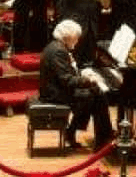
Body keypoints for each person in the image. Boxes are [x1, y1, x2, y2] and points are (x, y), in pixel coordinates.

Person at [39, 19, 114, 149]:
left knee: (96, 94)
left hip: (56, 88)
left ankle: (102, 134)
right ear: (68, 37)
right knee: (93, 96)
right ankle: (100, 136)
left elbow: (68, 73)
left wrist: (84, 74)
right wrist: (88, 80)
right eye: (76, 38)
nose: (77, 41)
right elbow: (67, 80)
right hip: (54, 93)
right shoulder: (58, 51)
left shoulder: (57, 46)